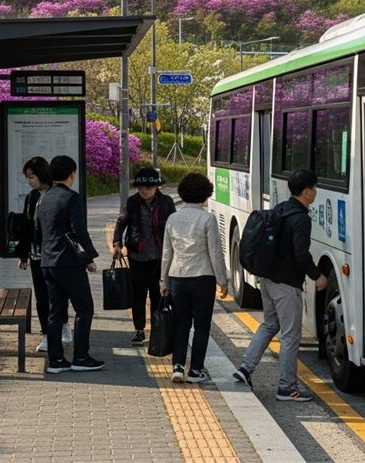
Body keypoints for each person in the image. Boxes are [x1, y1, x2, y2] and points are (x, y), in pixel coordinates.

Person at [232, 169, 327, 402]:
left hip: (267, 279)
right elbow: (301, 254)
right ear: (306, 192)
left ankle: (245, 368)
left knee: (269, 325)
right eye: (314, 188)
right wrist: (318, 276)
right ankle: (287, 387)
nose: (316, 192)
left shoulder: (281, 209)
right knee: (290, 336)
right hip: (286, 285)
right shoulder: (301, 218)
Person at [36, 155, 104, 374]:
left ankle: (55, 360)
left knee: (56, 312)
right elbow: (78, 231)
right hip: (68, 263)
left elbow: (38, 230)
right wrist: (89, 258)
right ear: (72, 174)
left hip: (48, 263)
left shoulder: (44, 198)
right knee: (84, 308)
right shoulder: (71, 198)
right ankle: (80, 357)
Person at [159, 173, 228, 384]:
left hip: (178, 277)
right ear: (205, 194)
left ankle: (177, 367)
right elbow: (215, 252)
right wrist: (222, 280)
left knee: (181, 324)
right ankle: (196, 370)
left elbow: (167, 253)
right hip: (203, 278)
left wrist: (164, 281)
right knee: (202, 326)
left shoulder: (173, 218)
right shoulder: (207, 218)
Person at [112, 167, 177, 345]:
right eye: (141, 187)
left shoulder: (166, 202)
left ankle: (158, 330)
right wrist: (117, 243)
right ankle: (139, 330)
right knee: (138, 295)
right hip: (137, 255)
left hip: (160, 257)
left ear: (157, 187)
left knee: (158, 294)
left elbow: (174, 226)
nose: (144, 190)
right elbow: (121, 222)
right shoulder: (132, 202)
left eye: (148, 187)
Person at [14, 156, 53, 353]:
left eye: (32, 176)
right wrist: (23, 256)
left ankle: (60, 328)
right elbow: (27, 227)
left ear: (42, 174)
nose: (29, 181)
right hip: (37, 255)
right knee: (42, 296)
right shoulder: (31, 197)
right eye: (27, 177)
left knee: (57, 295)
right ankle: (46, 334)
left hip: (55, 255)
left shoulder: (57, 193)